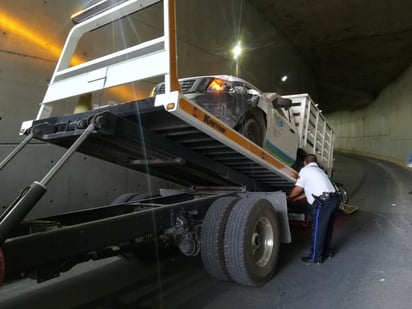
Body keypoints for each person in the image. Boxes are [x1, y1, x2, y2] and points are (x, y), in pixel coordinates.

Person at [287, 154, 340, 263]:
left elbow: (298, 188)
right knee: (327, 228)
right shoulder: (320, 171)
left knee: (318, 230)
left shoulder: (305, 170)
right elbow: (311, 190)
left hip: (324, 202)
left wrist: (289, 198)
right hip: (334, 199)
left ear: (305, 163)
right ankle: (327, 251)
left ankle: (316, 257)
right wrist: (296, 199)